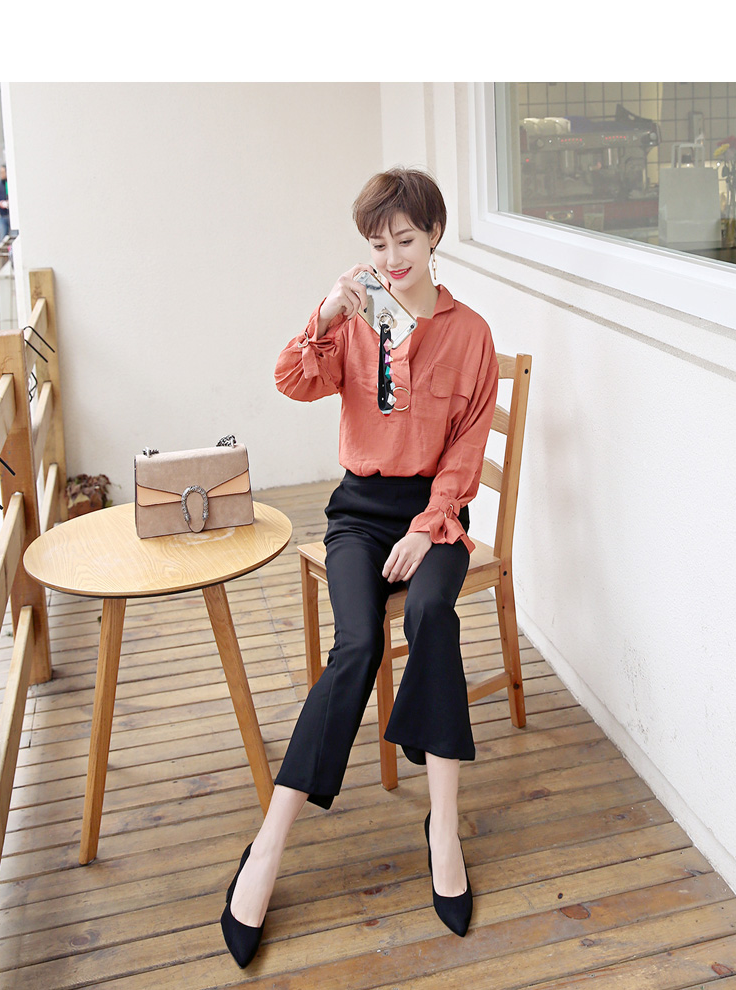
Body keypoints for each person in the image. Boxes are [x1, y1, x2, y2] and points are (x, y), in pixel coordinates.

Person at [220, 167, 499, 969]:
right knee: (358, 645)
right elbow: (291, 381)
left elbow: (467, 450)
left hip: (434, 511)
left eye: (404, 240)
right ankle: (270, 843)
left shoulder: (470, 333)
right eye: (378, 245)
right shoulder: (358, 317)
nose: (392, 258)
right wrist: (325, 314)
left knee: (431, 613)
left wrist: (428, 526)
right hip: (358, 512)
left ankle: (443, 828)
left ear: (434, 235)